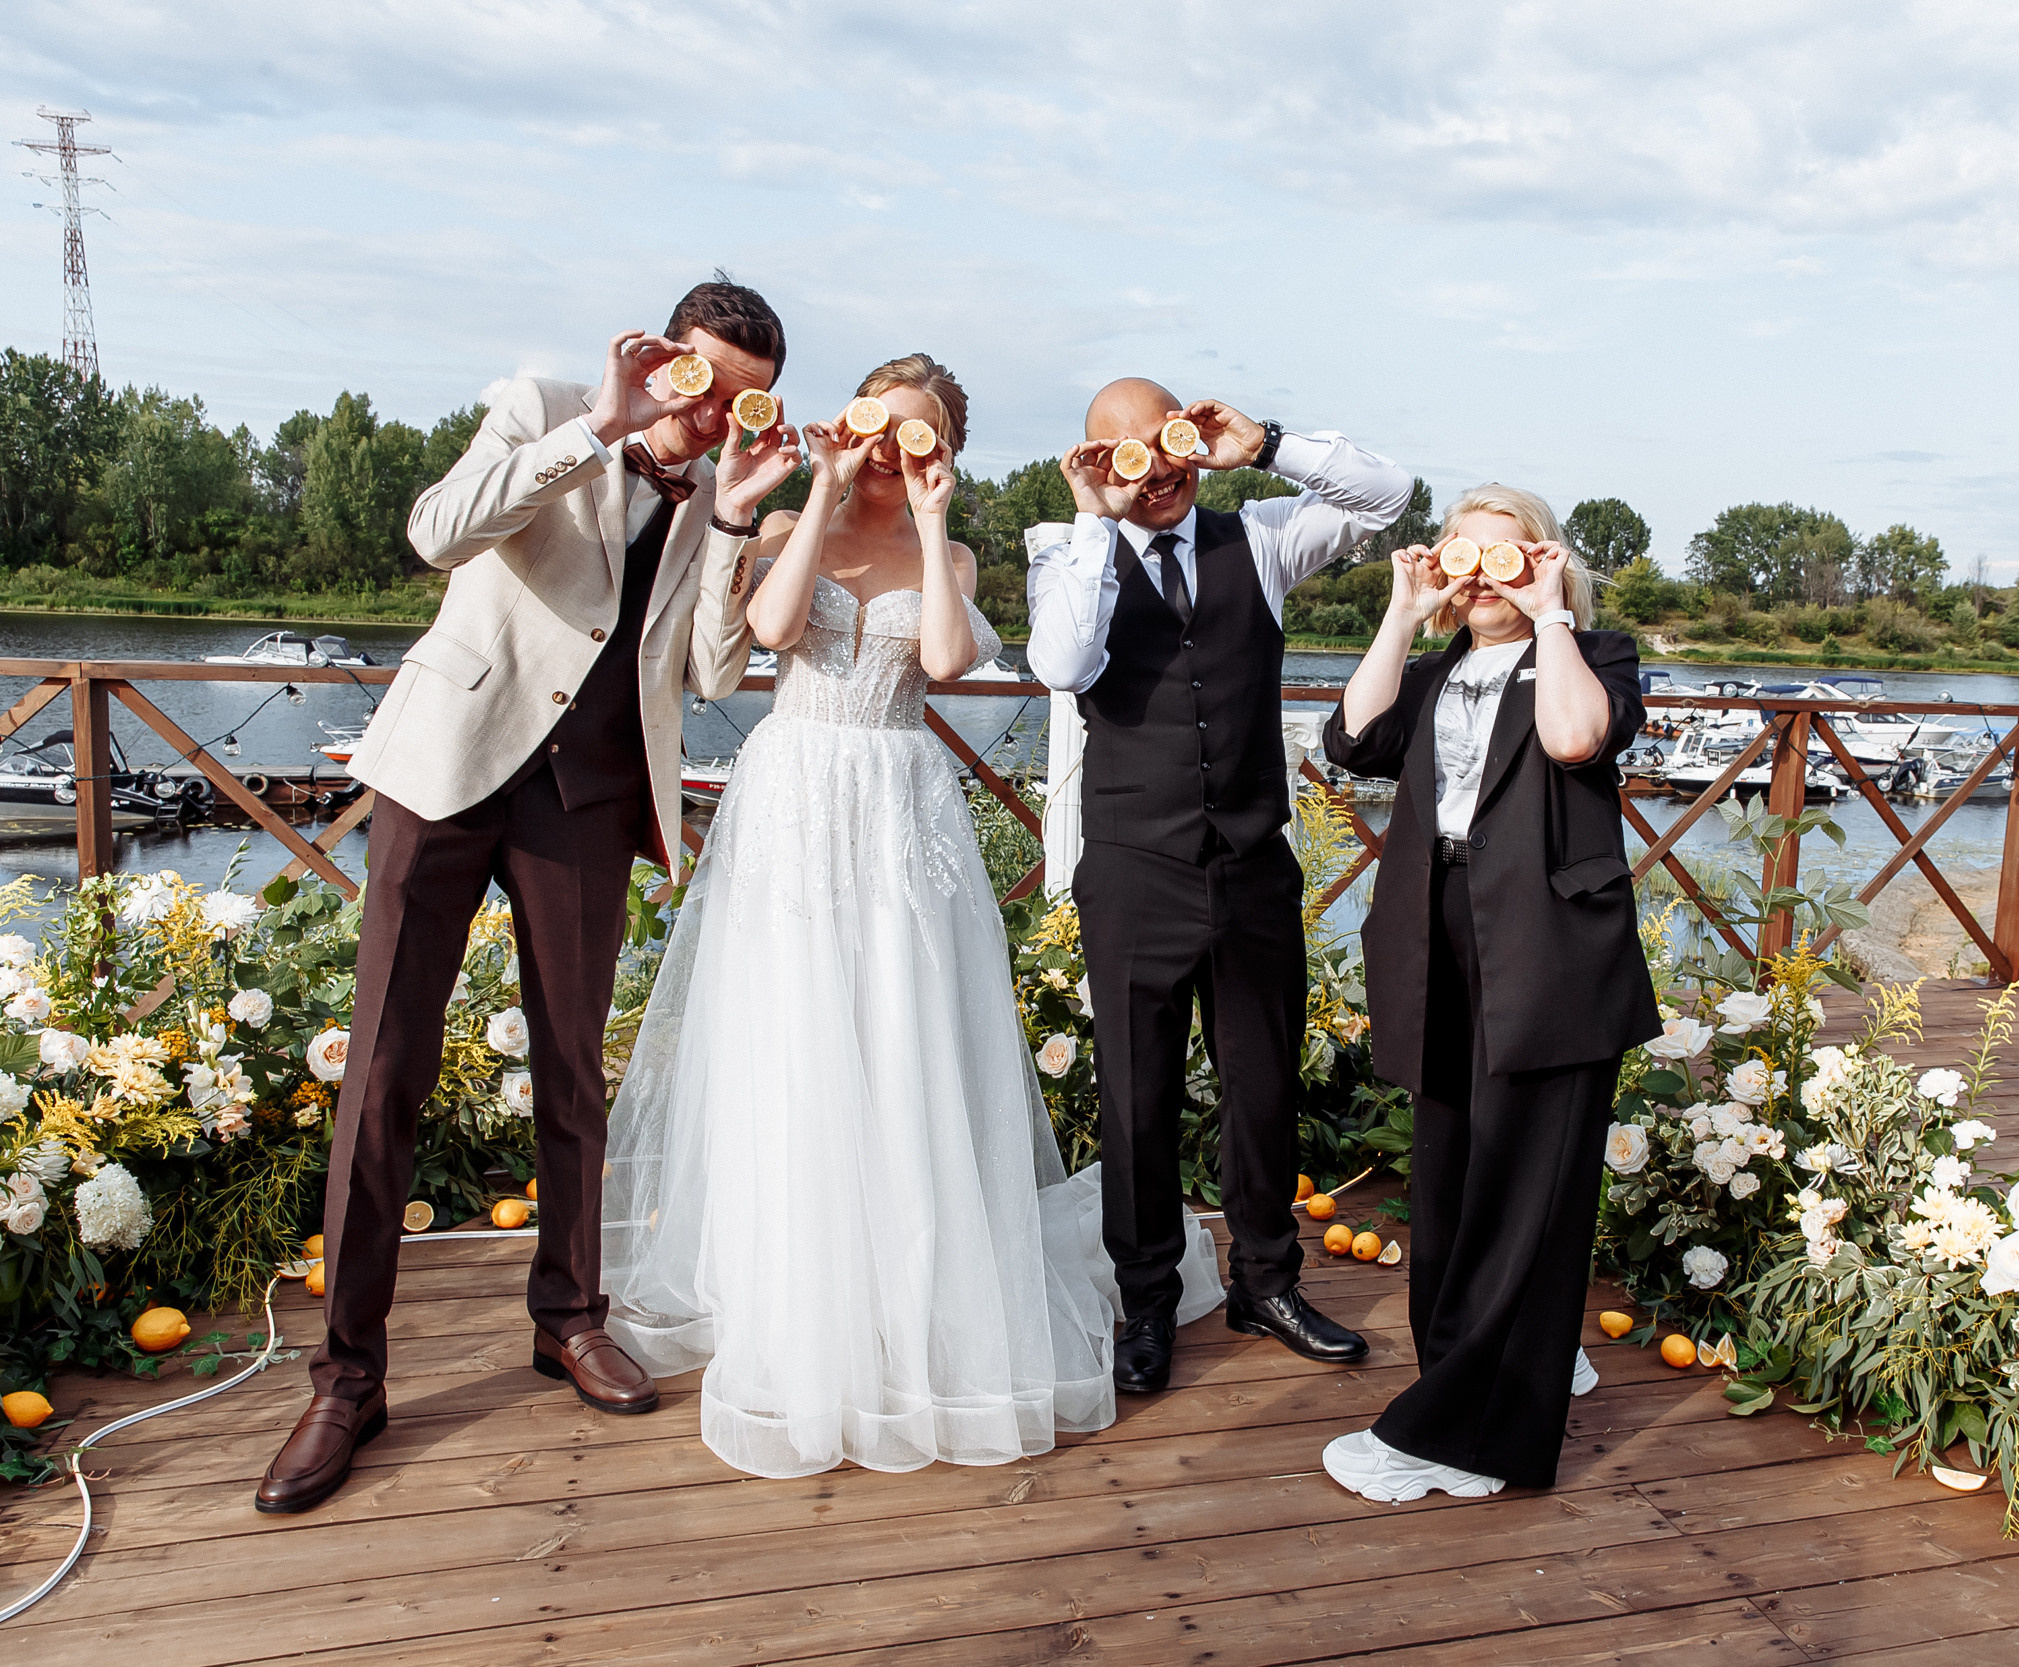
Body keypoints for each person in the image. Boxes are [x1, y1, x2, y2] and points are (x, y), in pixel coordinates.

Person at [598, 355, 1220, 1478]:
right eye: (881, 425)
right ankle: (797, 1294)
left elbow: (940, 657)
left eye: (919, 434)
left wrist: (932, 529)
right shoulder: (799, 511)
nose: (894, 447)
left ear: (944, 451)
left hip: (897, 800)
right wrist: (828, 484)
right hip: (794, 793)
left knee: (898, 1036)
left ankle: (908, 1294)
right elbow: (776, 631)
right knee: (797, 1037)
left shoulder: (960, 549)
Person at [255, 281, 799, 1514]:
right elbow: (436, 533)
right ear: (661, 359)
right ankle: (346, 1375)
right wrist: (599, 429)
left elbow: (715, 666)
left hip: (591, 799)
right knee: (384, 1066)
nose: (710, 412)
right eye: (695, 380)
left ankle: (568, 1316)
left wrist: (735, 520)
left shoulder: (724, 483)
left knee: (573, 1072)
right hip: (450, 770)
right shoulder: (547, 405)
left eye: (737, 393)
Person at [1026, 381, 1409, 1393]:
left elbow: (1389, 495)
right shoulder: (1064, 547)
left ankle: (1265, 1281)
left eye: (1170, 441)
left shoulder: (1264, 536)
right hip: (1132, 865)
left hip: (1250, 861)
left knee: (1262, 1081)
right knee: (1136, 1098)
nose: (1160, 467)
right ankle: (1145, 1300)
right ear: (1096, 460)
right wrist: (1093, 521)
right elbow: (1064, 661)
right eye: (1129, 453)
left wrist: (1269, 443)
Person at [1317, 484, 1659, 1503]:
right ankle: (1493, 1374)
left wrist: (1552, 607)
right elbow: (1350, 739)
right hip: (1438, 940)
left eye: (1501, 554)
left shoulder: (1592, 658)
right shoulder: (1431, 671)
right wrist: (1400, 606)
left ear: (1545, 561)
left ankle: (1461, 1436)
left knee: (1527, 1193)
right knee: (1454, 1178)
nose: (1479, 572)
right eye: (1461, 553)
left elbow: (1570, 742)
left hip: (1550, 948)